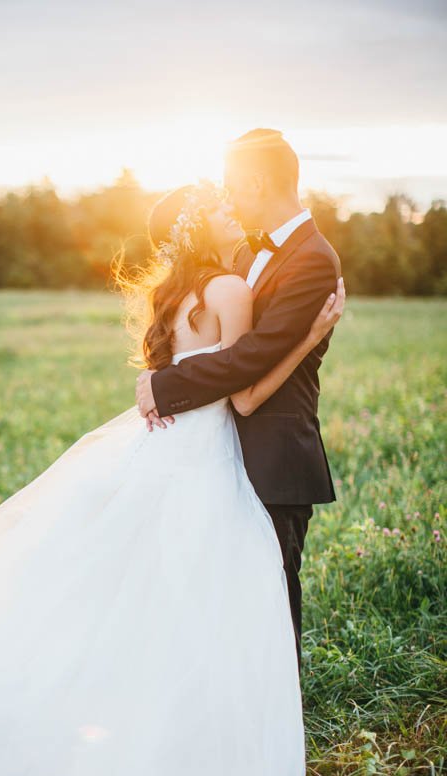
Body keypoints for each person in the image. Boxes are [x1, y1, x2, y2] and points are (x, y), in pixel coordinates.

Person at [0, 179, 344, 776]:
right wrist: (313, 333)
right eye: (215, 206)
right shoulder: (231, 292)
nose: (229, 209)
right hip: (204, 460)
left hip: (162, 450)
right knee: (198, 600)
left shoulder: (177, 295)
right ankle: (183, 749)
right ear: (200, 227)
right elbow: (245, 395)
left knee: (127, 599)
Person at [136, 129, 343, 670]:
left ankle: (279, 727)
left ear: (255, 181)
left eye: (231, 186)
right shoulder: (248, 253)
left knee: (272, 595)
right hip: (219, 451)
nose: (227, 198)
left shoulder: (313, 259)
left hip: (274, 453)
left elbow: (253, 357)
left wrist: (167, 383)